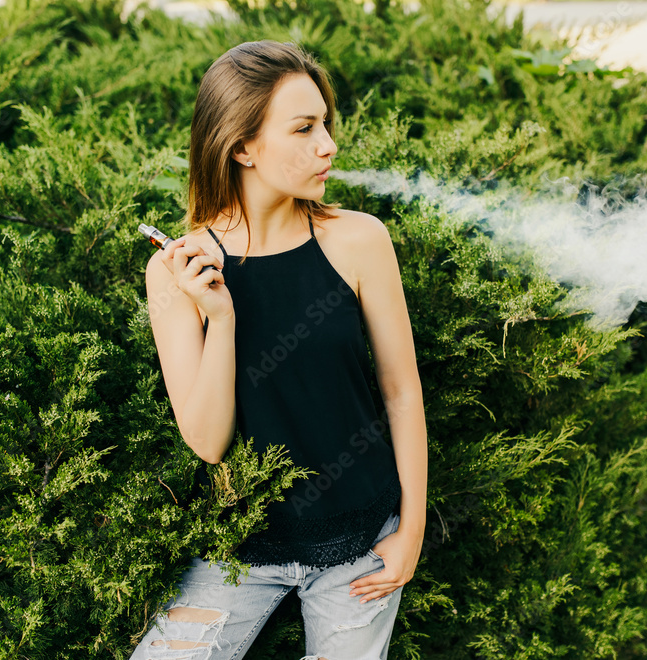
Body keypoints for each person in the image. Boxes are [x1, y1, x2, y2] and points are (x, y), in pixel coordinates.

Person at [131, 40, 428, 660]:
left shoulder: (360, 240)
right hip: (239, 549)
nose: (328, 145)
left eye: (325, 123)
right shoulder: (178, 271)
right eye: (303, 128)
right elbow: (209, 442)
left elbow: (402, 392)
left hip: (361, 543)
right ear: (241, 146)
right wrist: (220, 315)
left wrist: (411, 531)